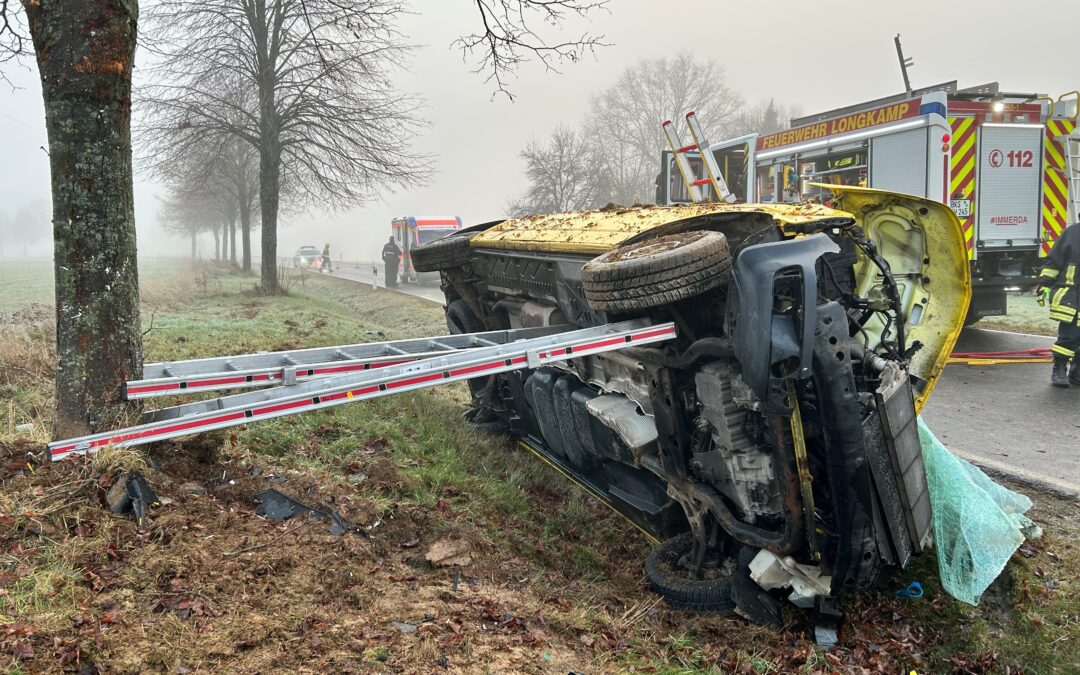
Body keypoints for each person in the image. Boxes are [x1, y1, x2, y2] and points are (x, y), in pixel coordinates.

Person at [1036, 221, 1080, 387]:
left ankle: (1077, 370)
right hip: (1072, 295)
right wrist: (1044, 283)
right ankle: (1059, 369)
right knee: (1070, 336)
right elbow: (1054, 261)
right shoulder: (1073, 233)